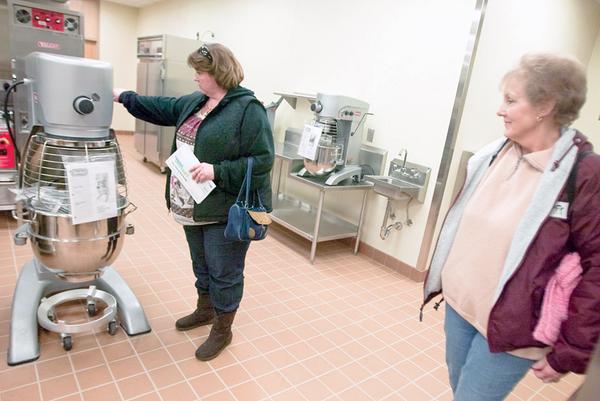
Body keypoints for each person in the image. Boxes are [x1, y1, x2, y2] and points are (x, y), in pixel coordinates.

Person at [421, 53, 600, 401]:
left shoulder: (584, 173)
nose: (500, 110)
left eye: (510, 100)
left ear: (544, 106)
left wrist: (571, 350)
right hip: (460, 306)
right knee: (460, 388)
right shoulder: (494, 153)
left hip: (512, 329)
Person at [113, 42, 274, 361]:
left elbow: (263, 160)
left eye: (200, 72)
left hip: (222, 211)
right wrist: (123, 96)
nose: (196, 78)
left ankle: (223, 329)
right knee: (201, 266)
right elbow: (160, 106)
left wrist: (218, 170)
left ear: (218, 73)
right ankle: (205, 310)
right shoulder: (196, 101)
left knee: (224, 271)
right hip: (190, 205)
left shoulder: (247, 109)